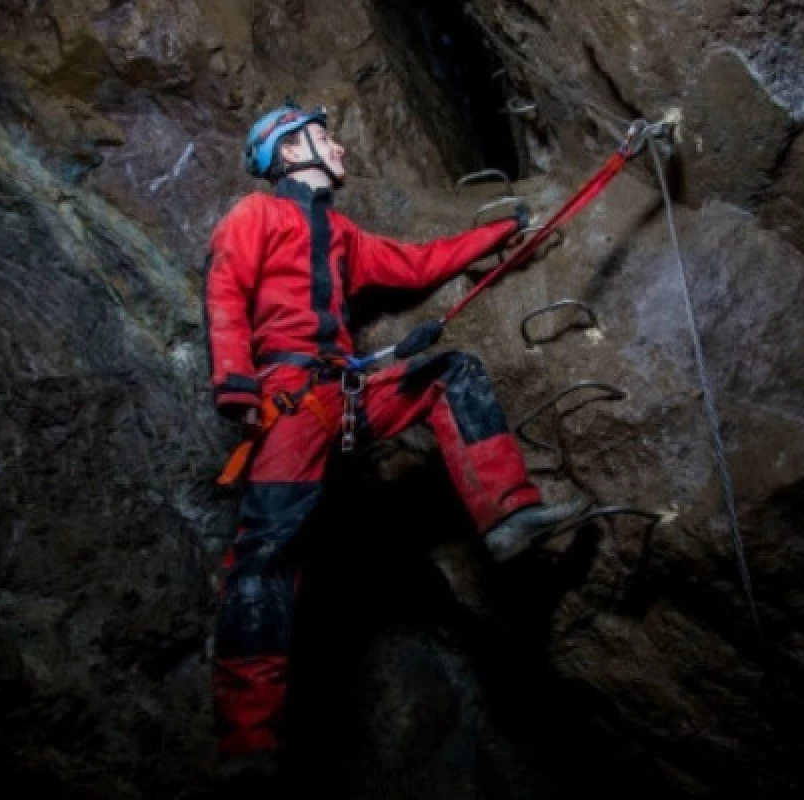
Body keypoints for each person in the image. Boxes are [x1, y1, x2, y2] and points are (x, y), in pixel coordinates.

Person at [203, 102, 586, 778]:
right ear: (289, 154)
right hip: (289, 402)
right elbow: (226, 289)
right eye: (323, 137)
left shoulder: (340, 234)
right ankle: (247, 740)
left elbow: (413, 266)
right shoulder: (254, 216)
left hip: (347, 393)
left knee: (451, 373)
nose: (339, 145)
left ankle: (508, 515)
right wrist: (236, 382)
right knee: (264, 559)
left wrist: (498, 235)